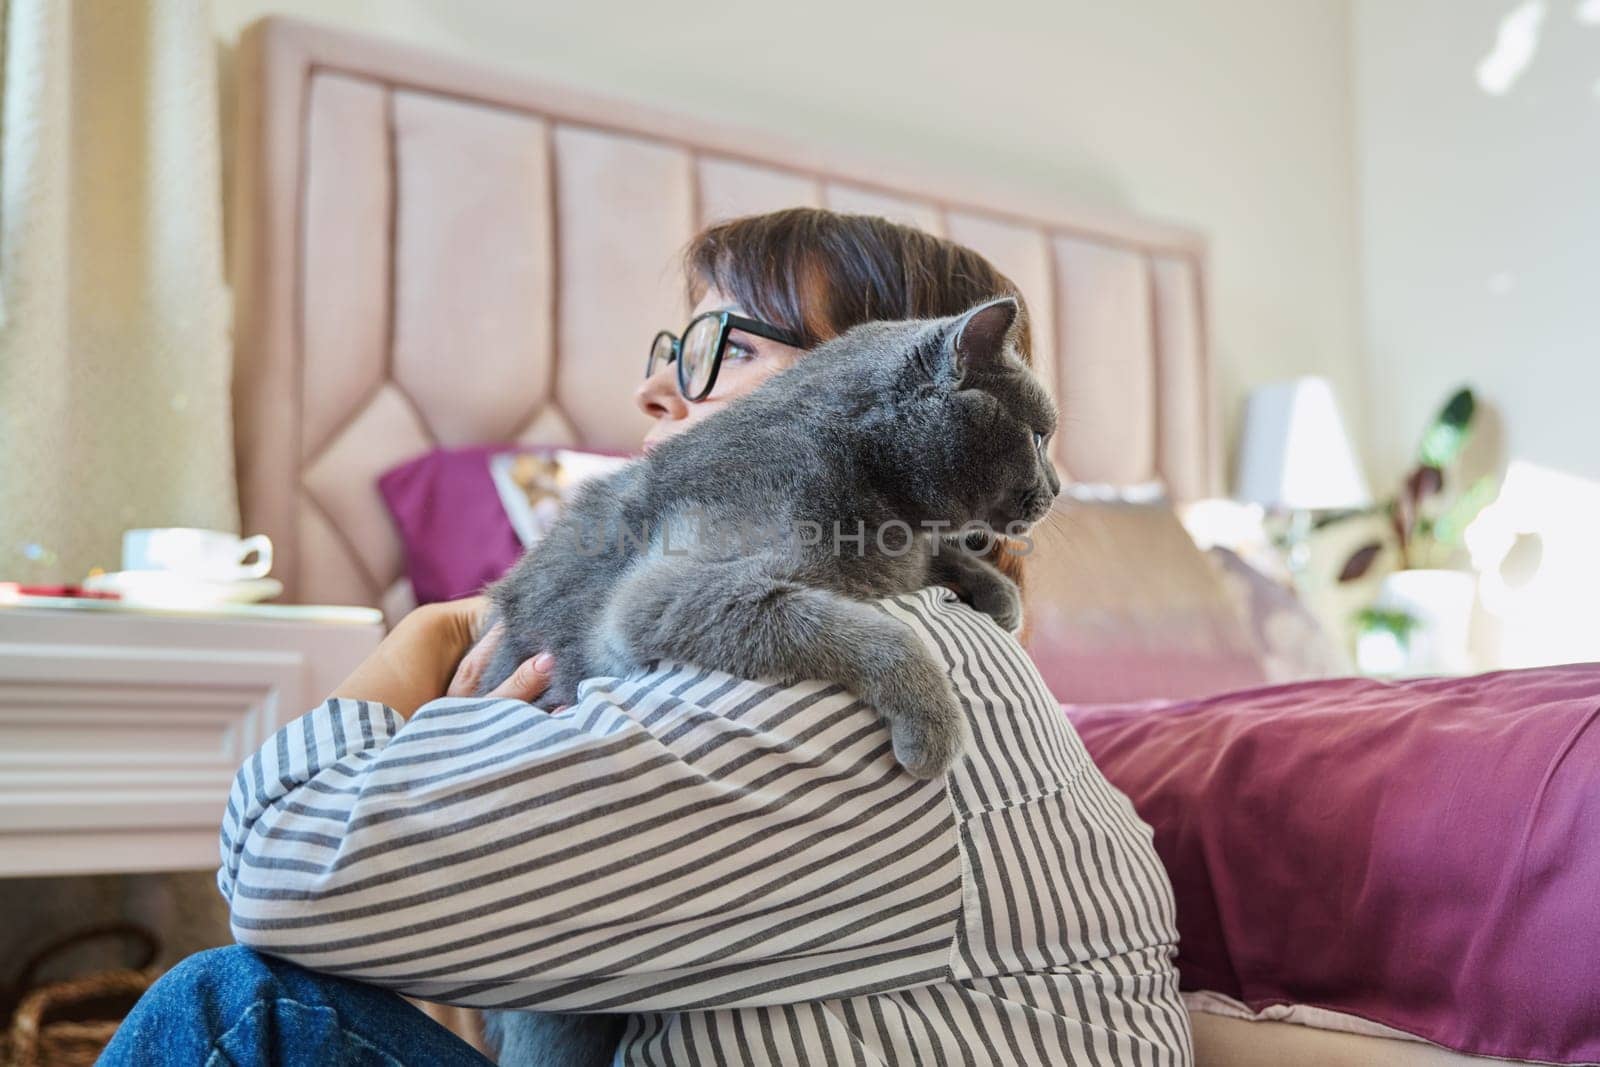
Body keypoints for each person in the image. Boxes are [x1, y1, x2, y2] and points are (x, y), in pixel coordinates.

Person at [103, 209, 1192, 1066]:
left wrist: (422, 644)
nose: (654, 383)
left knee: (238, 1011)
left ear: (874, 383)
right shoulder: (910, 621)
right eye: (672, 341)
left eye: (724, 344)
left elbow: (285, 874)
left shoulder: (816, 676)